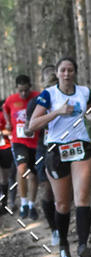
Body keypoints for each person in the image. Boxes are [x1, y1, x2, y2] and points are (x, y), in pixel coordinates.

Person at [29, 57, 91, 257]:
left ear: (75, 72)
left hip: (80, 146)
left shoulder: (84, 92)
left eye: (70, 70)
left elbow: (89, 110)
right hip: (56, 149)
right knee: (62, 202)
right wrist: (58, 112)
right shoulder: (48, 95)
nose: (66, 74)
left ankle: (83, 246)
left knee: (82, 197)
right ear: (57, 73)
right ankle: (63, 245)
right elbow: (33, 124)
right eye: (63, 70)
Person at [26, 64, 59, 244]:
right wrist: (31, 128)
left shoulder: (68, 98)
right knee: (47, 189)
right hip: (44, 149)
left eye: (54, 80)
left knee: (65, 194)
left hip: (65, 148)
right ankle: (54, 229)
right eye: (48, 81)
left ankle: (61, 226)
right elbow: (29, 127)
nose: (51, 84)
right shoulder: (35, 102)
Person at [2, 75, 39, 219]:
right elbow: (5, 108)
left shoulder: (38, 97)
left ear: (30, 87)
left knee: (34, 175)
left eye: (26, 90)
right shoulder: (11, 99)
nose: (24, 94)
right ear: (17, 88)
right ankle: (23, 203)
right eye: (21, 91)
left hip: (35, 141)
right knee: (21, 168)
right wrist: (8, 123)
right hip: (19, 141)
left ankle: (31, 205)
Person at [0, 102, 12, 215]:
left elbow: (10, 130)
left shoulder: (3, 115)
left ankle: (4, 204)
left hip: (4, 147)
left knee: (4, 178)